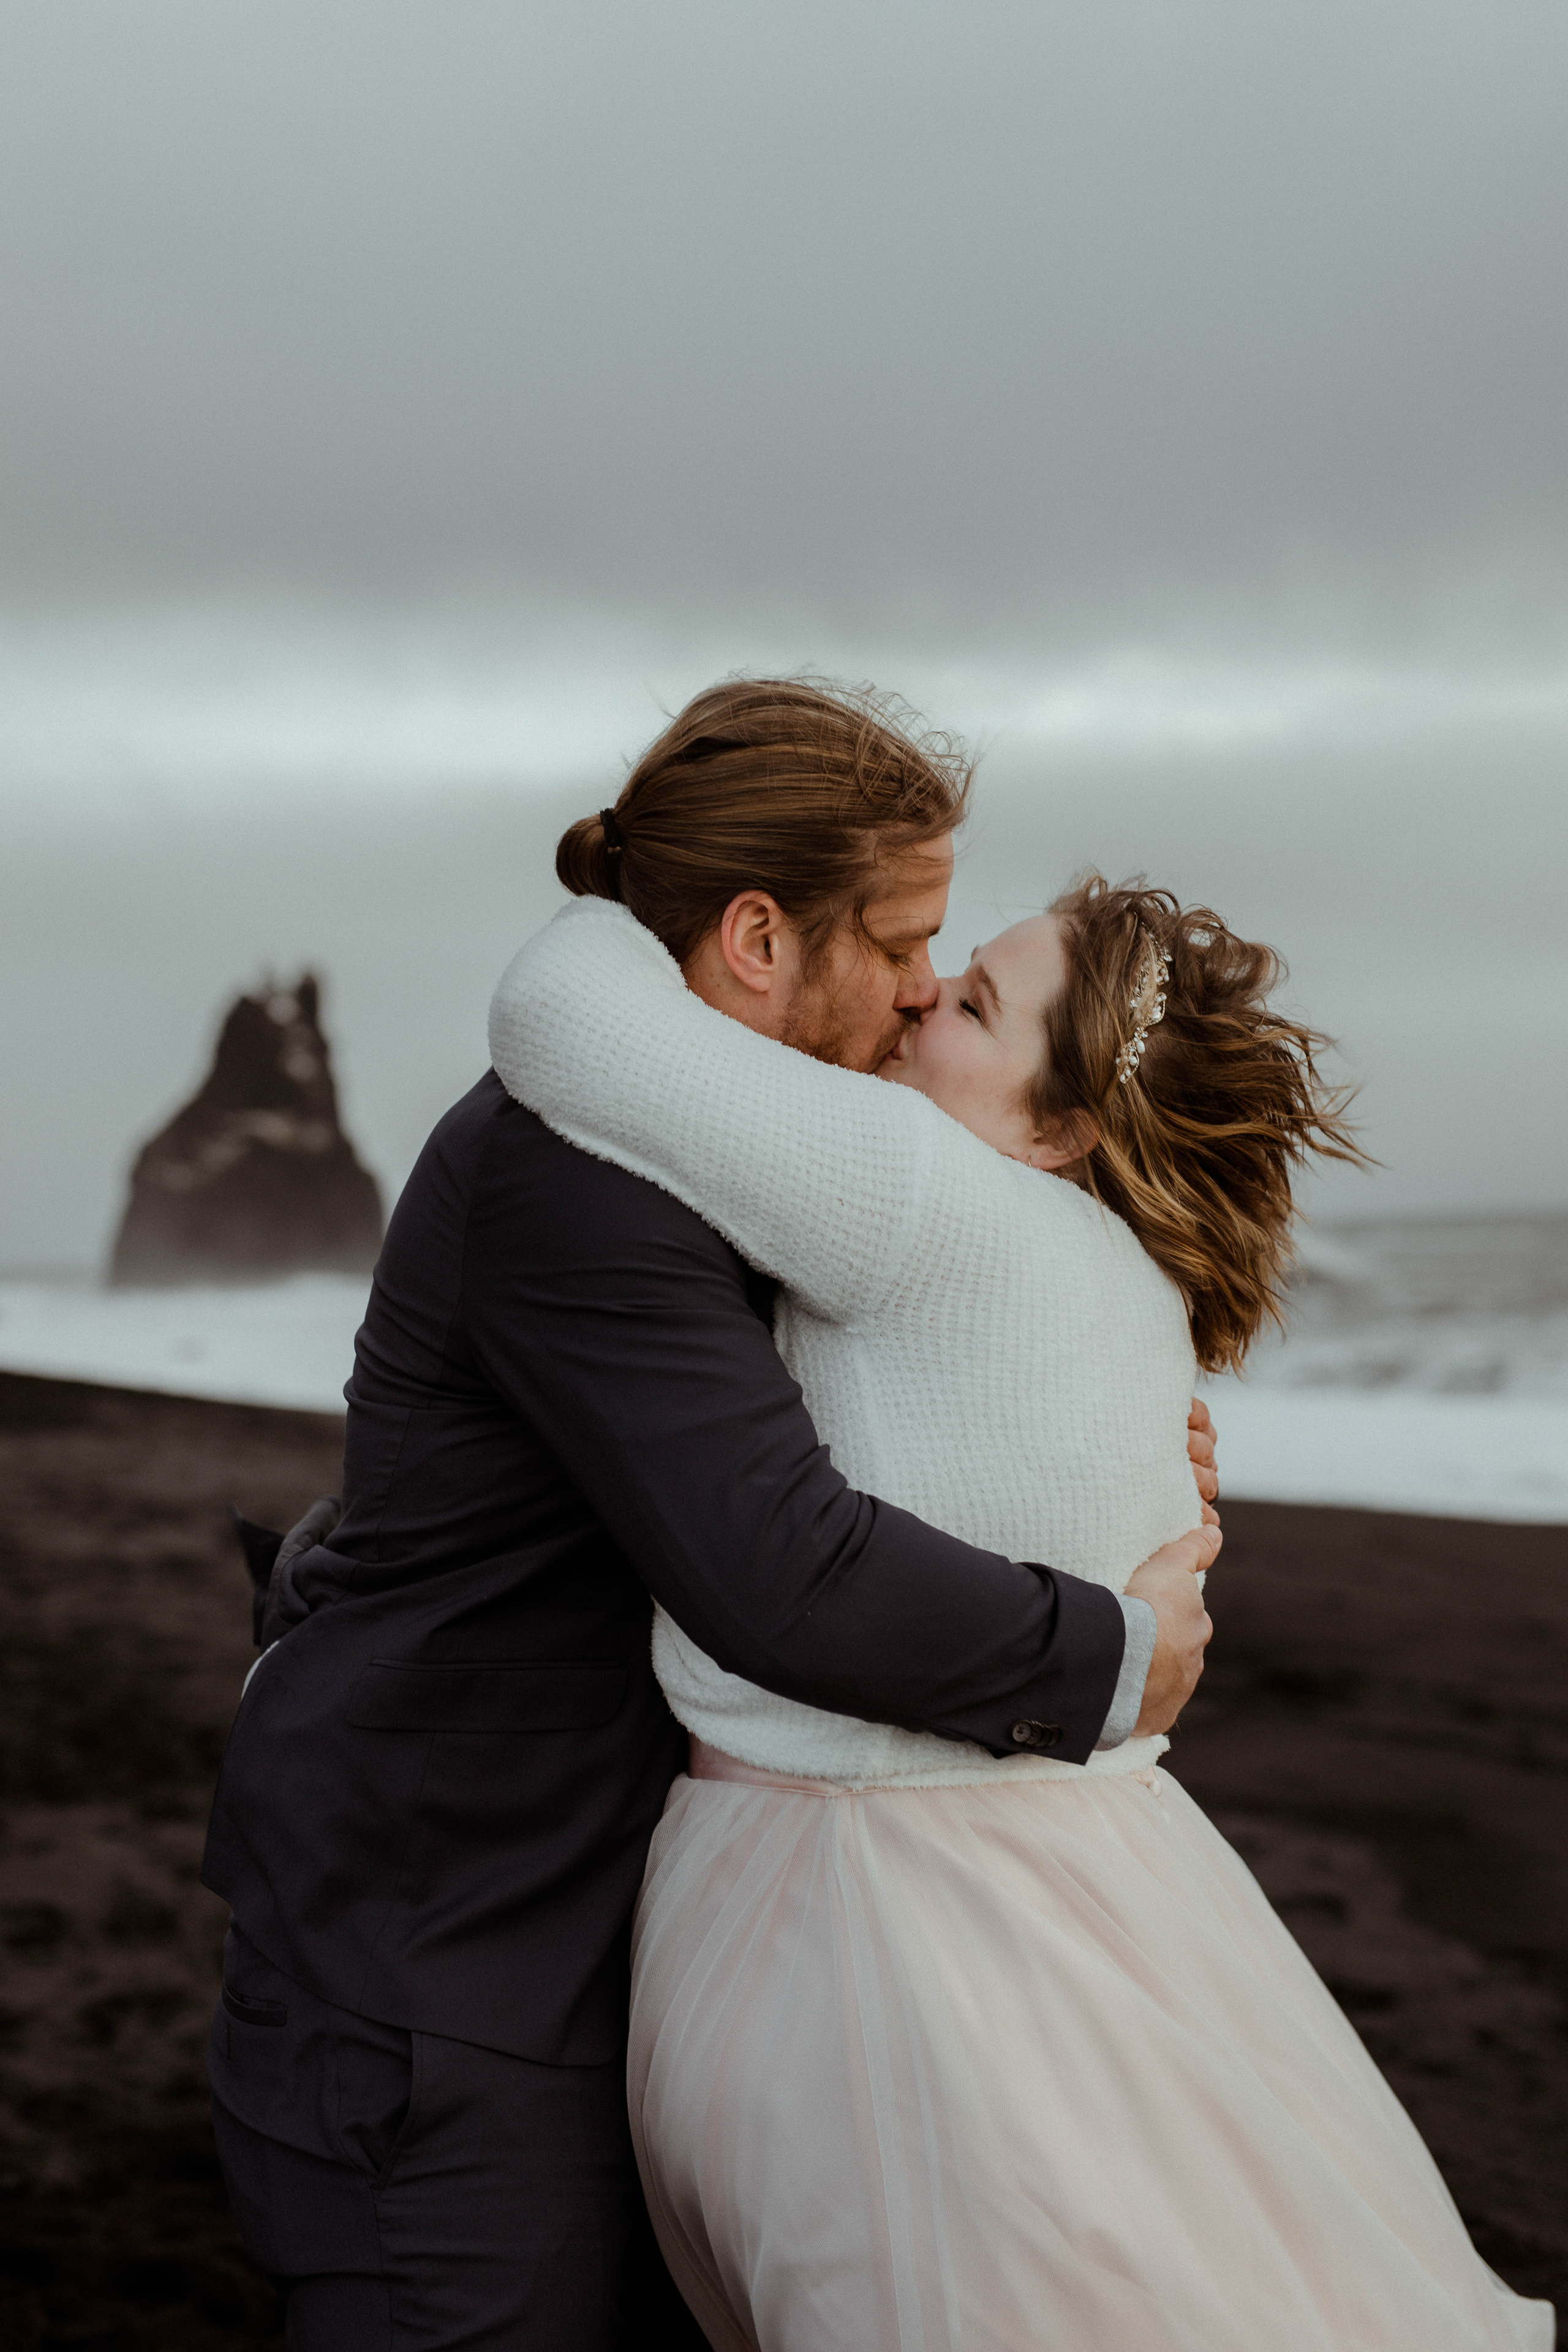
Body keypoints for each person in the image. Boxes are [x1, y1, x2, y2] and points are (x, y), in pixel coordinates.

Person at [200, 679, 1219, 2351]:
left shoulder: (742, 1151)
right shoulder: (576, 1177)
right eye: (903, 941)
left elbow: (903, 1402)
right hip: (437, 1976)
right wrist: (1110, 1652)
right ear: (757, 940)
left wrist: (1114, 1463)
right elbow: (783, 1566)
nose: (916, 996)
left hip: (590, 1941)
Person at [490, 853, 1555, 2350]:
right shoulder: (1134, 1292)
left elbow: (557, 1019)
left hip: (867, 1936)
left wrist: (629, 870)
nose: (920, 996)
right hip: (1107, 1897)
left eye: (973, 1002)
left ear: (1057, 1127)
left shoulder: (916, 1186)